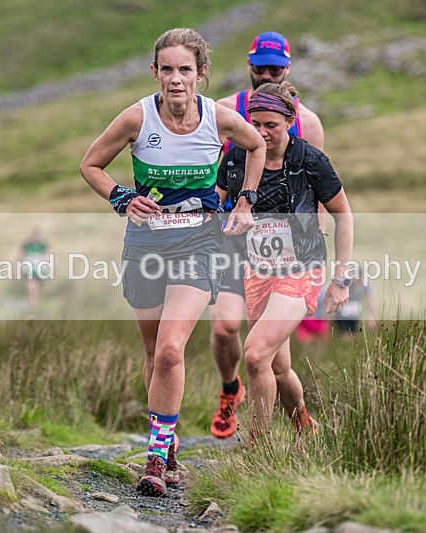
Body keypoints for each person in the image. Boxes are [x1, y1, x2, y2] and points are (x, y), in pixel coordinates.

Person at [80, 28, 266, 497]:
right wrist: (123, 198)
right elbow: (90, 165)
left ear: (201, 75)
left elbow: (257, 146)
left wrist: (245, 201)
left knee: (169, 350)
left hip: (198, 246)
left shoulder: (218, 118)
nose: (176, 79)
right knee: (152, 355)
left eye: (186, 69)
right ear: (155, 73)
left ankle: (156, 458)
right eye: (167, 69)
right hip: (145, 246)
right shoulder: (137, 118)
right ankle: (171, 444)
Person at [208, 31, 327, 439]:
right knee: (225, 328)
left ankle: (303, 428)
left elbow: (318, 192)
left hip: (285, 256)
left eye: (276, 67)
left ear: (288, 68)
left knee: (276, 365)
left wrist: (315, 255)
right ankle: (230, 390)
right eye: (261, 66)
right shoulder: (224, 111)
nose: (267, 73)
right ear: (249, 64)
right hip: (233, 241)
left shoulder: (308, 123)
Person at [217, 81, 353, 439]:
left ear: (290, 120)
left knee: (255, 354)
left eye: (271, 125)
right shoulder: (236, 155)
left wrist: (340, 279)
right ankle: (305, 426)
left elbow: (344, 215)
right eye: (255, 123)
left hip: (302, 270)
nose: (261, 133)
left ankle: (255, 450)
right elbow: (216, 204)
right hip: (257, 272)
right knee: (278, 368)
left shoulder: (310, 160)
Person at [20, 228, 48, 311]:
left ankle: (35, 306)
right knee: (31, 287)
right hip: (30, 269)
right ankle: (32, 305)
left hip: (39, 270)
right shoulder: (27, 245)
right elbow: (21, 256)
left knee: (37, 288)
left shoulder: (43, 246)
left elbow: (47, 257)